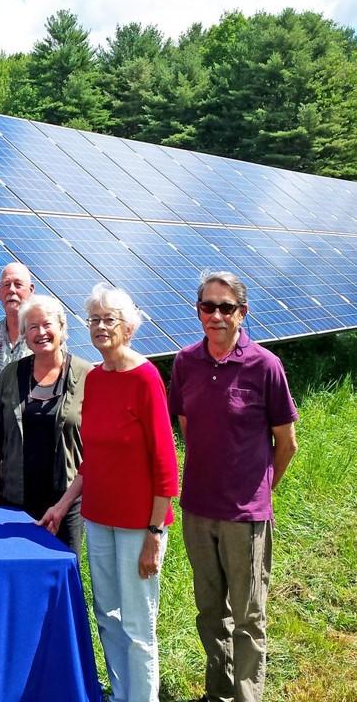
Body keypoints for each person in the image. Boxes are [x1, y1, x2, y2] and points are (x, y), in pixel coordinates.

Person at [39, 283, 179, 702]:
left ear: (129, 327)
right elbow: (91, 459)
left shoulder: (146, 377)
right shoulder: (95, 379)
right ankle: (121, 695)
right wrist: (63, 505)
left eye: (109, 319)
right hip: (98, 518)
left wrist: (155, 534)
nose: (100, 327)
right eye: (94, 319)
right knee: (108, 618)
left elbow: (165, 465)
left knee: (138, 624)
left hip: (139, 523)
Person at [169, 271, 298, 702]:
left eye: (227, 307)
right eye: (209, 306)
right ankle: (219, 692)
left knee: (248, 616)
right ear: (198, 312)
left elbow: (287, 442)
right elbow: (187, 425)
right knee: (210, 612)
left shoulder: (266, 366)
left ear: (243, 313)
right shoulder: (185, 363)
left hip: (246, 516)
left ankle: (246, 697)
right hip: (198, 509)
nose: (217, 315)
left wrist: (261, 487)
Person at [0, 295, 91, 555]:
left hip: (67, 503)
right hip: (16, 501)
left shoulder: (87, 376)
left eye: (47, 324)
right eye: (32, 326)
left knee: (62, 573)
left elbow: (98, 444)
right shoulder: (11, 375)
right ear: (24, 334)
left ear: (62, 328)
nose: (40, 332)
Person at [0, 262, 35, 370]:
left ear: (31, 290)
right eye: (7, 284)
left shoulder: (43, 337)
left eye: (18, 284)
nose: (12, 290)